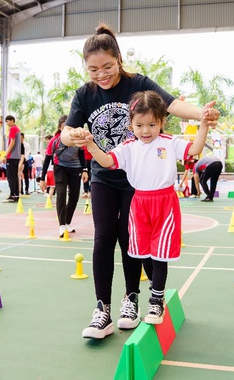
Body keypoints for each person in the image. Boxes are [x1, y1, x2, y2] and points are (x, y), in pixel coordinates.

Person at [61, 23, 219, 340]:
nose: (101, 74)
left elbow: (172, 105)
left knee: (129, 238)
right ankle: (102, 309)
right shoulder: (84, 94)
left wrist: (200, 115)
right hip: (105, 173)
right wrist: (75, 136)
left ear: (119, 59)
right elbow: (66, 132)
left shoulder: (138, 84)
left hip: (138, 179)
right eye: (93, 69)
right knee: (103, 237)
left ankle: (131, 298)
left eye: (107, 66)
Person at [83, 90, 210, 328]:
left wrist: (203, 124)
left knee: (159, 253)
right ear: (131, 125)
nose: (146, 130)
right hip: (139, 203)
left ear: (162, 121)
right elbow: (108, 161)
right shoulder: (128, 147)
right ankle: (145, 295)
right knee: (141, 252)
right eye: (139, 125)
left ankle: (156, 299)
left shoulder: (169, 143)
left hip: (164, 202)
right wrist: (91, 144)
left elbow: (194, 150)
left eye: (152, 124)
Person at [40, 115, 88, 237]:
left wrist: (85, 170)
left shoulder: (78, 140)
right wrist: (42, 178)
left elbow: (82, 155)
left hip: (75, 168)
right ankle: (61, 225)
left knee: (74, 195)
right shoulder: (54, 141)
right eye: (64, 127)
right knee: (61, 193)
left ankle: (67, 222)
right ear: (61, 128)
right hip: (60, 167)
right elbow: (47, 159)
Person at [5, 115, 21, 202]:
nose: (7, 123)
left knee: (11, 177)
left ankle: (13, 194)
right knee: (14, 176)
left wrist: (5, 155)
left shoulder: (13, 129)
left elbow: (12, 142)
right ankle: (15, 194)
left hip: (11, 156)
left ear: (12, 120)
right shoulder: (17, 129)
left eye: (8, 121)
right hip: (16, 156)